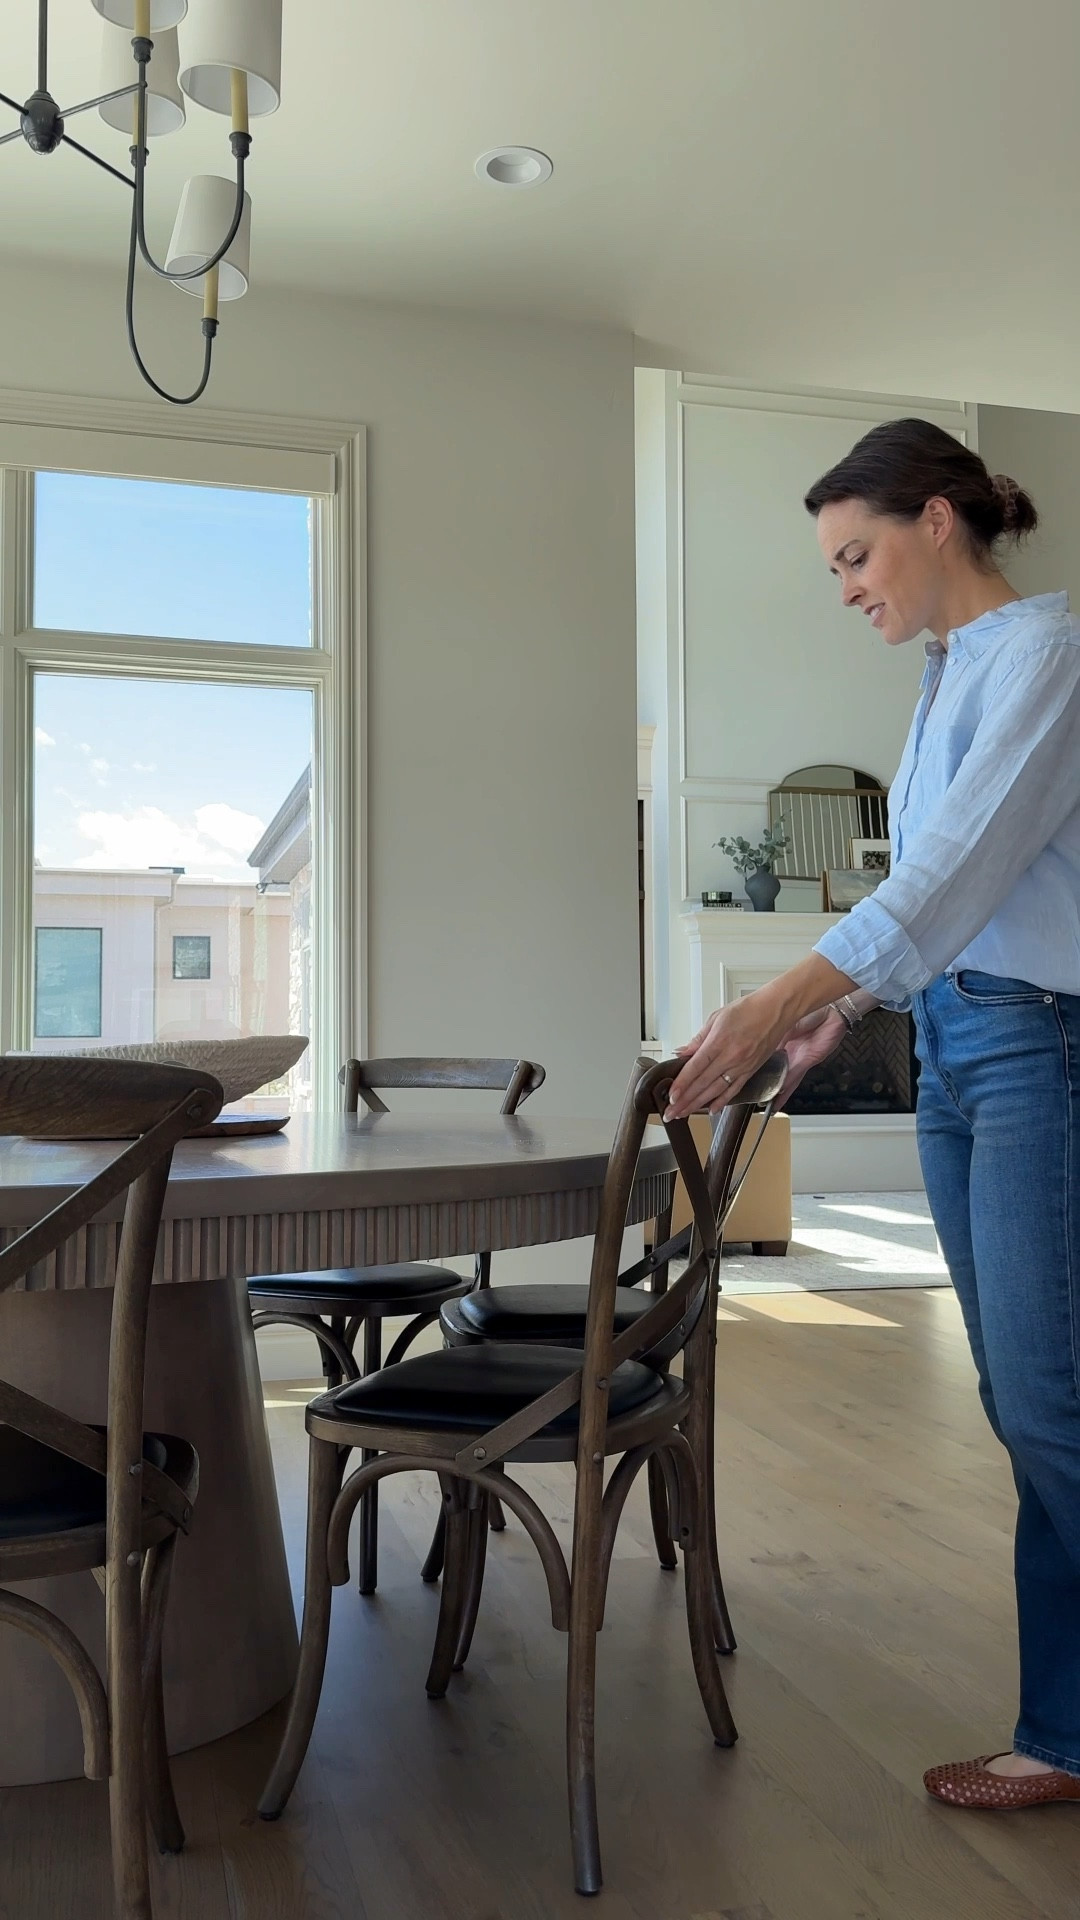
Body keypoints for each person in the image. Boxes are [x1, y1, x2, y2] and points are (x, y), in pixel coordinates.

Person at [665, 416, 1080, 1810]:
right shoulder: (950, 669)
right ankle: (1069, 1729)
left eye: (856, 554)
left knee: (1048, 1401)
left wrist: (775, 1001)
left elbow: (955, 868)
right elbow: (947, 901)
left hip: (1041, 1050)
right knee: (1025, 1399)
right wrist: (850, 1003)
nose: (846, 587)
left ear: (938, 519)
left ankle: (1072, 1734)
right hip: (966, 1042)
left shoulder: (1048, 651)